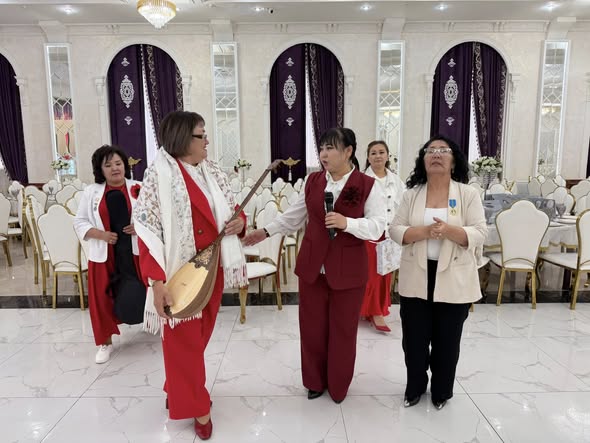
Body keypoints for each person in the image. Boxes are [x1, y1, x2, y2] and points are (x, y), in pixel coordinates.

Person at [244, 127, 386, 403]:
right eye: (321, 148)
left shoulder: (368, 185)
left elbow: (378, 226)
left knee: (343, 330)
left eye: (331, 148)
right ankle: (314, 381)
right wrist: (265, 232)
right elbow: (294, 216)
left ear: (348, 151)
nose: (324, 154)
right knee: (312, 328)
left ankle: (338, 384)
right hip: (312, 267)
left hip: (348, 270)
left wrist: (347, 223)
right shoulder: (313, 181)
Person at [133, 110, 247, 441]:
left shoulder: (214, 172)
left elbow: (233, 211)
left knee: (198, 339)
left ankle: (177, 384)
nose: (207, 141)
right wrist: (156, 282)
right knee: (184, 345)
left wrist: (239, 223)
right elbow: (148, 233)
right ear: (183, 139)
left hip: (211, 269)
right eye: (201, 135)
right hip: (177, 274)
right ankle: (199, 407)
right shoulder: (159, 176)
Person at [390, 135, 487, 410]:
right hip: (417, 275)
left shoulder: (467, 194)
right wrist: (423, 231)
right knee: (414, 341)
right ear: (423, 160)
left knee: (447, 342)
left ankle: (441, 391)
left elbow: (480, 232)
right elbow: (395, 230)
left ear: (454, 161)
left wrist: (448, 231)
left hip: (454, 277)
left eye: (443, 150)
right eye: (430, 150)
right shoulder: (412, 194)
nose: (436, 154)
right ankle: (414, 387)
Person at [73, 145, 141, 364]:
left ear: (125, 166)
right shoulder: (91, 192)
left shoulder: (138, 187)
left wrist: (139, 227)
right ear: (100, 170)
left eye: (118, 163)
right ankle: (105, 342)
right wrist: (101, 235)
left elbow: (155, 218)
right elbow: (79, 222)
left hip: (135, 253)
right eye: (108, 165)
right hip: (104, 255)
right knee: (102, 298)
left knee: (146, 289)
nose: (115, 168)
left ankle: (155, 324)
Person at [361, 140, 405, 333]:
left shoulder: (396, 180)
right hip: (369, 234)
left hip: (389, 234)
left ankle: (377, 309)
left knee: (384, 275)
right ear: (368, 157)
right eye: (373, 153)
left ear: (387, 155)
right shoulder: (362, 179)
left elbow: (403, 205)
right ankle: (369, 311)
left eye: (381, 152)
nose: (377, 156)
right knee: (370, 275)